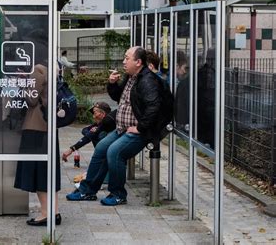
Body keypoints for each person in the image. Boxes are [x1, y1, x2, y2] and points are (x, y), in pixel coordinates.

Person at [66, 46, 171, 206]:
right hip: (123, 128)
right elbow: (117, 97)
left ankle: (118, 194)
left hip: (140, 132)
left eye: (127, 58)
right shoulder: (131, 76)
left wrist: (140, 128)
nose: (123, 61)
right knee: (101, 148)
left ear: (138, 62)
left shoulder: (147, 80)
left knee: (114, 152)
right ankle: (87, 190)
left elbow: (153, 107)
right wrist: (112, 84)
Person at [14, 62, 61, 226]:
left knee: (38, 170)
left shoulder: (38, 70)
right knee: (49, 170)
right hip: (49, 126)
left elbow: (32, 99)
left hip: (36, 126)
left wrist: (22, 83)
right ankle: (54, 212)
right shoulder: (53, 68)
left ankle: (45, 213)